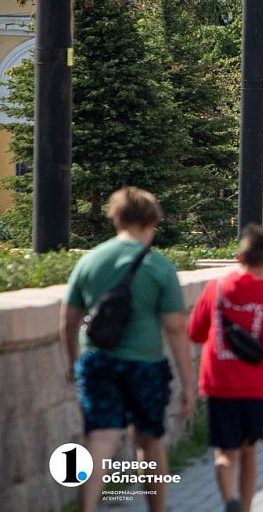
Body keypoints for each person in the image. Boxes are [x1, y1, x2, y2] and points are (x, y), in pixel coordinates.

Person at [60, 187, 193, 512]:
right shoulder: (159, 266)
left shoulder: (90, 260)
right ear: (151, 222)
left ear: (116, 218)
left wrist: (73, 363)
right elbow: (175, 329)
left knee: (101, 439)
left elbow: (68, 320)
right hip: (145, 366)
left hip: (97, 362)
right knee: (149, 440)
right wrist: (189, 383)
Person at [187, 224, 263, 512]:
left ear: (237, 257)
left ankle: (229, 498)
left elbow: (194, 332)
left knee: (224, 452)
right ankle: (244, 507)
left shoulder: (215, 289)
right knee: (248, 449)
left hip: (219, 383)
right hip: (256, 387)